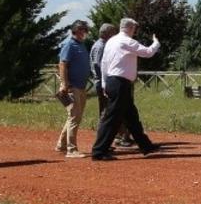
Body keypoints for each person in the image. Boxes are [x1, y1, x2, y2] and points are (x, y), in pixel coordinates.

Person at [90, 17, 162, 160]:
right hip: (120, 83)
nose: (134, 32)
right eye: (134, 29)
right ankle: (99, 151)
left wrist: (104, 84)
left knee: (131, 116)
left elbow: (104, 64)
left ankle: (145, 145)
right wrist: (156, 43)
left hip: (113, 81)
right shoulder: (127, 41)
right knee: (112, 118)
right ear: (130, 28)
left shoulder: (111, 41)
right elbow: (147, 52)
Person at [89, 23, 132, 147]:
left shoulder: (103, 44)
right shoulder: (100, 46)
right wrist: (108, 79)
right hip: (104, 83)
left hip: (106, 82)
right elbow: (98, 64)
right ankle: (103, 142)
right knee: (106, 113)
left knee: (111, 112)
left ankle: (115, 137)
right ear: (108, 34)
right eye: (113, 32)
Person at [54, 20, 91, 158]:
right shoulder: (69, 45)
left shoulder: (81, 45)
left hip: (81, 86)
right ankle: (71, 150)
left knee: (75, 116)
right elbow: (62, 64)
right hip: (72, 86)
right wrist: (65, 84)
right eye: (81, 30)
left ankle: (61, 145)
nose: (84, 32)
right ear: (74, 31)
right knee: (74, 117)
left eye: (85, 30)